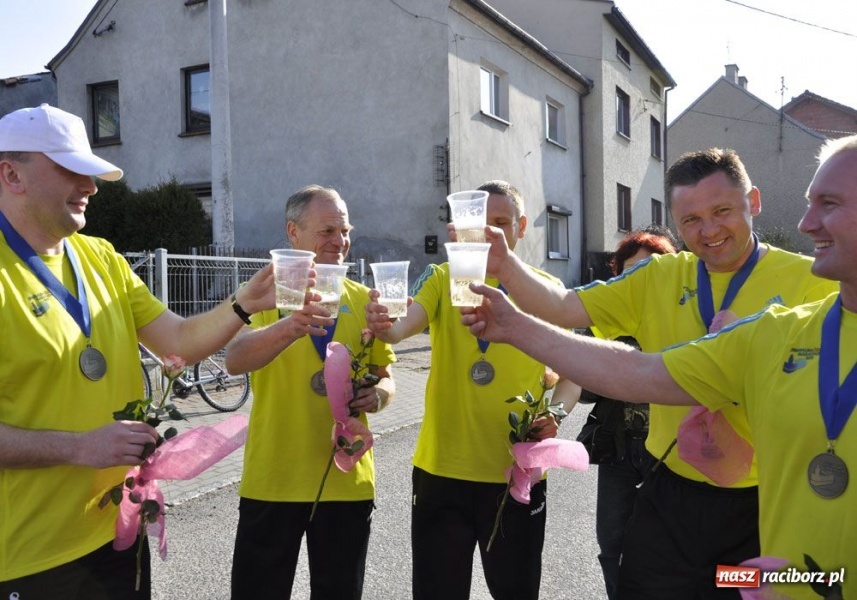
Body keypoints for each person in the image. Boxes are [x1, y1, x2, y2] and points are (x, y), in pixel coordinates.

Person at [461, 134, 857, 600]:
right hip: (669, 490)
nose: (708, 230)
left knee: (735, 590)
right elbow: (569, 309)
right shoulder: (661, 276)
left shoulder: (815, 281)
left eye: (722, 212)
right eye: (690, 220)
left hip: (759, 502)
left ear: (753, 201)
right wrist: (506, 267)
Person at [0, 104, 275, 598]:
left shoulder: (101, 256)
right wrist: (78, 447)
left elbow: (179, 342)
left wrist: (244, 302)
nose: (91, 186)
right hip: (27, 556)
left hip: (117, 533)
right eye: (71, 169)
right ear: (10, 173)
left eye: (92, 172)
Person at [365, 180, 579, 600]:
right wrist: (382, 322)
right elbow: (400, 327)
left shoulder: (543, 290)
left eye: (500, 223)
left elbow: (575, 370)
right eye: (479, 224)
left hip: (516, 472)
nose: (488, 234)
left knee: (516, 591)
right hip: (442, 471)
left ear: (520, 227)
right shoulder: (443, 277)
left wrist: (556, 415)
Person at [224, 184, 396, 600]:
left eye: (345, 230)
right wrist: (290, 325)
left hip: (345, 478)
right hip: (274, 478)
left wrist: (380, 396)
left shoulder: (362, 299)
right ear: (293, 233)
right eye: (326, 231)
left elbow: (385, 373)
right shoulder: (266, 294)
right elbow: (234, 359)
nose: (340, 241)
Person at [575, 226, 677, 600]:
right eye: (631, 270)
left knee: (670, 550)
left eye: (651, 269)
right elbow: (582, 391)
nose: (641, 280)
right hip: (619, 453)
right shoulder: (605, 320)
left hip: (670, 457)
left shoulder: (683, 321)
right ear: (617, 274)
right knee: (612, 547)